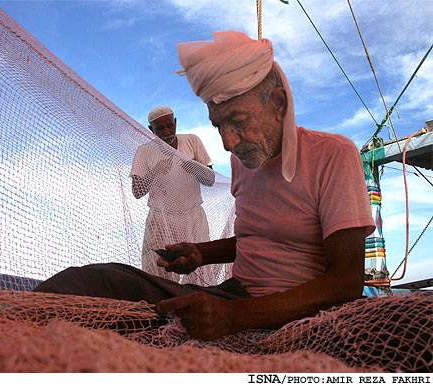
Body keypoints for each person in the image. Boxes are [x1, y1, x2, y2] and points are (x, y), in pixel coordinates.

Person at [34, 31, 375, 341]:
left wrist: (236, 316)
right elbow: (256, 237)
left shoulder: (333, 154)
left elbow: (346, 281)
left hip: (294, 312)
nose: (229, 142)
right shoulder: (241, 160)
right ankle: (8, 329)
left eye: (238, 121)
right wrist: (200, 253)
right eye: (219, 125)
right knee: (98, 281)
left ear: (278, 105)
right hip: (233, 294)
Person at [130, 106, 215, 284]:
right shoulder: (145, 151)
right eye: (160, 129)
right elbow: (137, 192)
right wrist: (155, 172)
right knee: (158, 270)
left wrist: (193, 166)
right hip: (160, 220)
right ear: (150, 130)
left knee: (198, 267)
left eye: (170, 126)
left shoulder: (192, 141)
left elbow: (210, 179)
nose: (167, 132)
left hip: (193, 217)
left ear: (175, 123)